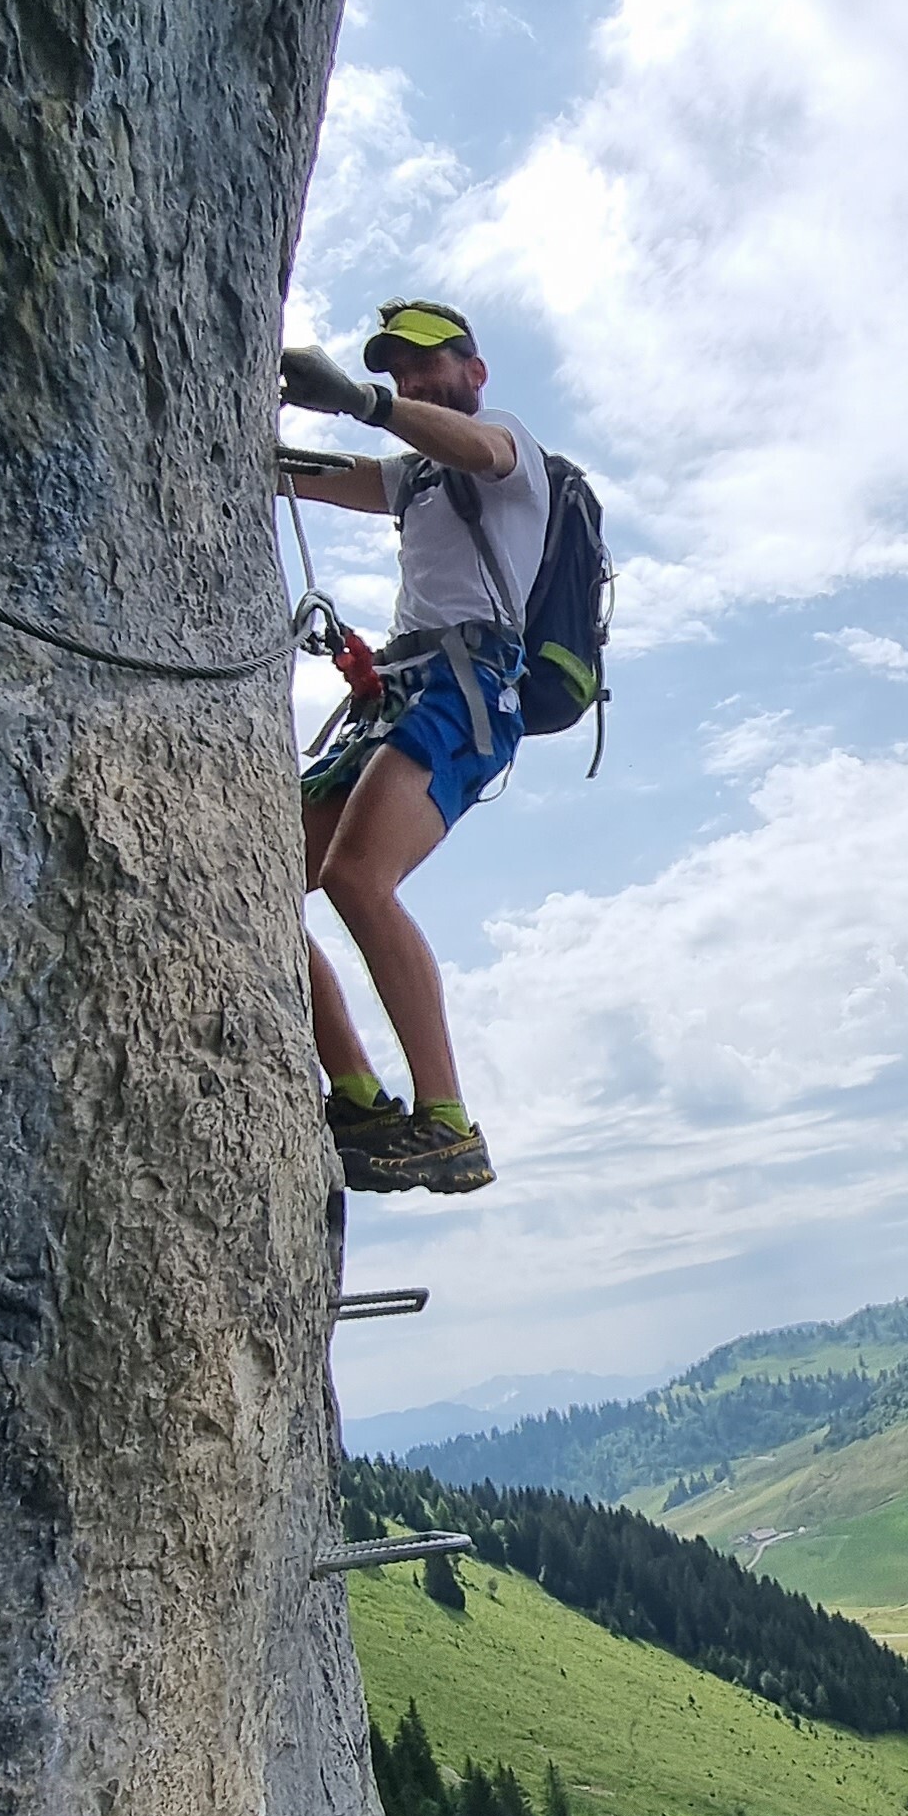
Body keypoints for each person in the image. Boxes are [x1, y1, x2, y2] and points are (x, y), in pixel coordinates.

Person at [279, 296, 548, 1196]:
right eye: (400, 369)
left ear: (475, 371)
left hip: (467, 686)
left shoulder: (505, 444)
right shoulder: (417, 479)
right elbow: (328, 477)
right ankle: (358, 1096)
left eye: (429, 364)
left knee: (357, 877)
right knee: (266, 882)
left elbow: (479, 450)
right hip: (402, 692)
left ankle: (449, 1124)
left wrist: (363, 401)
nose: (414, 379)